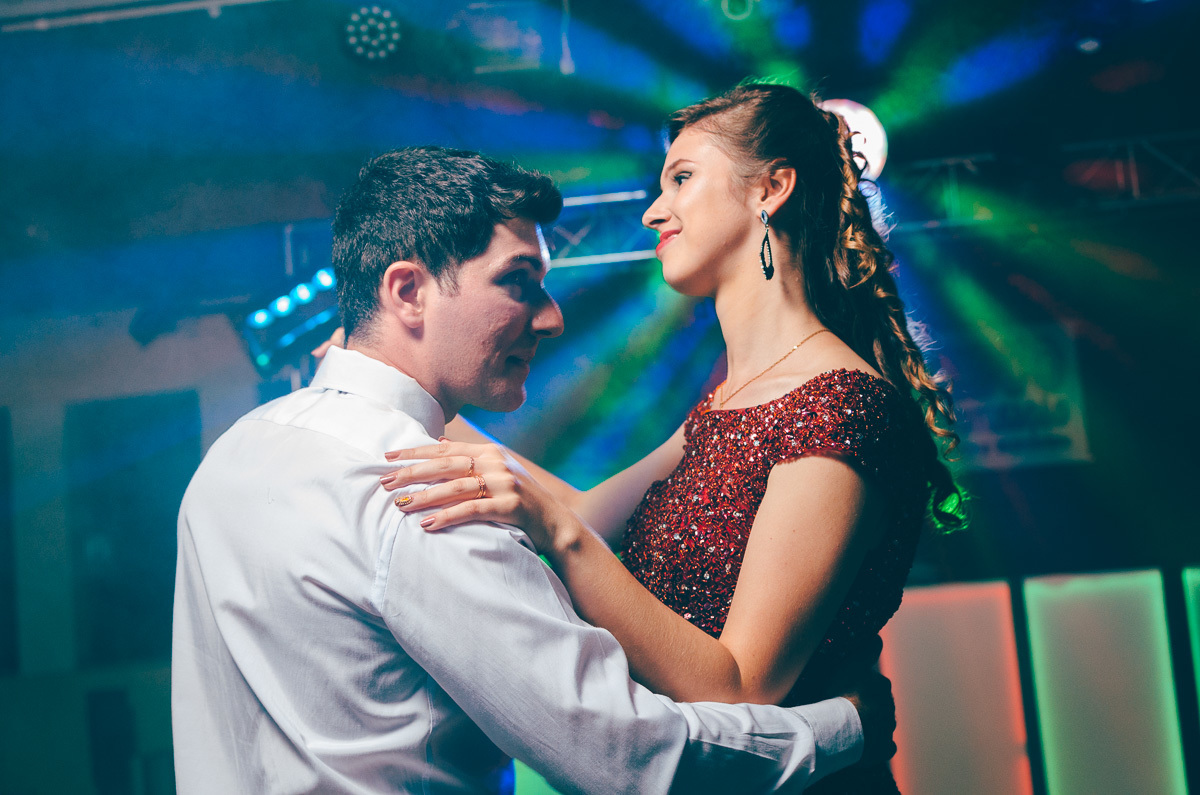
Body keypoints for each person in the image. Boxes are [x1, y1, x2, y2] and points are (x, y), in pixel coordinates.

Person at [172, 145, 897, 794]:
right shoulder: (428, 497)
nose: (551, 318)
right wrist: (843, 724)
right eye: (520, 281)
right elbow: (626, 758)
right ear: (407, 292)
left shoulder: (231, 458)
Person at [379, 83, 966, 793]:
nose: (656, 210)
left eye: (682, 178)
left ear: (770, 189)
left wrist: (550, 524)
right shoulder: (728, 402)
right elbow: (585, 514)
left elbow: (743, 686)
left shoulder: (840, 405)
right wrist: (411, 386)